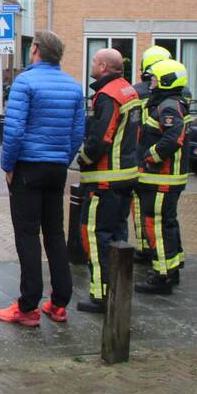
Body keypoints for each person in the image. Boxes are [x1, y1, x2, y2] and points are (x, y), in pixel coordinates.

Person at [0, 30, 85, 326]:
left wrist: (8, 166)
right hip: (56, 169)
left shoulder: (25, 82)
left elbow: (15, 130)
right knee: (55, 234)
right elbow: (76, 133)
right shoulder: (73, 87)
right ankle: (59, 303)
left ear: (35, 50)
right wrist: (63, 158)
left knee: (28, 236)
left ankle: (27, 306)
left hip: (28, 169)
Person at [75, 48, 141, 313]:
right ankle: (118, 289)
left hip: (104, 181)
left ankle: (101, 294)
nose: (91, 64)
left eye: (94, 61)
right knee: (117, 235)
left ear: (103, 66)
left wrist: (82, 159)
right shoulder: (129, 91)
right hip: (125, 178)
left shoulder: (108, 96)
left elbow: (100, 137)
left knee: (94, 234)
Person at [135, 59, 191, 295]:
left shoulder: (168, 106)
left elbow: (172, 139)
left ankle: (162, 276)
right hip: (166, 180)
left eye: (156, 80)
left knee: (156, 225)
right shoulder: (172, 103)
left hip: (162, 180)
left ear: (167, 81)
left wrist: (149, 156)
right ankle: (172, 267)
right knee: (167, 224)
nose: (152, 84)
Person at [130, 45, 172, 264]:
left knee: (141, 207)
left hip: (142, 156)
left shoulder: (136, 91)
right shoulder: (180, 95)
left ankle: (147, 248)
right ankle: (166, 256)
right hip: (170, 165)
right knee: (166, 217)